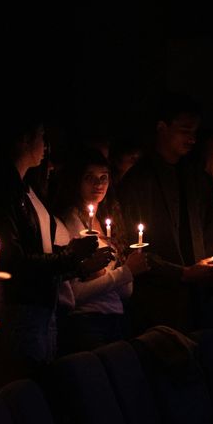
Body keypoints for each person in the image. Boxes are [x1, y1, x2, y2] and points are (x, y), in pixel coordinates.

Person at [0, 110, 109, 377]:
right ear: (24, 139)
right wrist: (71, 255)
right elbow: (13, 261)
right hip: (21, 313)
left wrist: (79, 265)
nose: (46, 145)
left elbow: (38, 251)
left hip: (39, 310)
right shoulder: (3, 188)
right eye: (41, 136)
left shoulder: (23, 186)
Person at [118, 93, 213, 332]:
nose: (192, 139)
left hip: (198, 298)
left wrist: (211, 266)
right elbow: (134, 246)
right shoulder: (138, 181)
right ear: (162, 128)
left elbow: (210, 230)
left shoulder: (198, 178)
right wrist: (183, 273)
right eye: (185, 130)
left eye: (195, 132)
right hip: (157, 300)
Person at [51, 150, 149, 353]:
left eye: (103, 177)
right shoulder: (67, 224)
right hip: (87, 324)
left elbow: (124, 291)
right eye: (89, 178)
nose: (98, 184)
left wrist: (128, 270)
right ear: (75, 181)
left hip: (116, 320)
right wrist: (125, 273)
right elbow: (74, 294)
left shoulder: (106, 223)